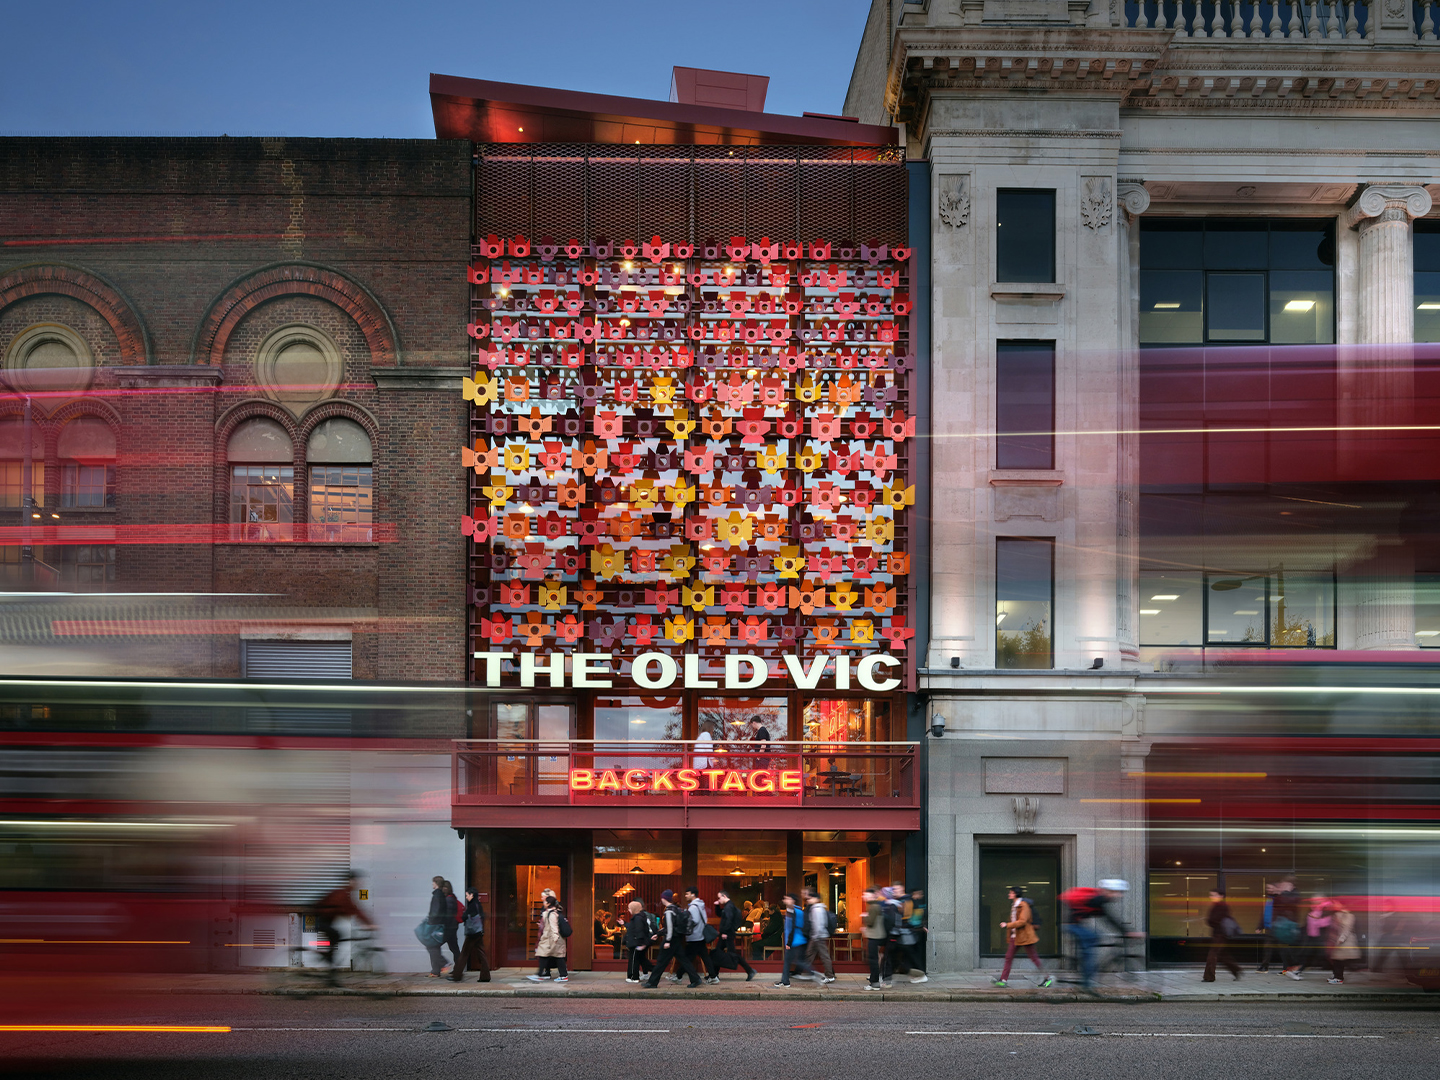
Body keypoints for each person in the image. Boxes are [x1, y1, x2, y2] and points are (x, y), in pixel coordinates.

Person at [1062, 879, 1142, 993]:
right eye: (1117, 892)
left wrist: (1125, 931)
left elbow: (1108, 919)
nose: (1119, 895)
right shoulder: (1098, 899)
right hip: (1072, 926)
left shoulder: (1098, 900)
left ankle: (1086, 972)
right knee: (1090, 947)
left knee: (1096, 937)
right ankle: (1086, 983)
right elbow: (1109, 917)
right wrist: (1128, 932)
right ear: (1109, 891)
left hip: (1076, 925)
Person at [315, 870, 377, 986]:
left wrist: (367, 923)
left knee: (335, 938)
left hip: (327, 921)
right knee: (336, 935)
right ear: (350, 881)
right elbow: (353, 910)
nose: (358, 883)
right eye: (356, 881)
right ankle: (329, 964)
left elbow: (355, 909)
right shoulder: (342, 894)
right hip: (320, 921)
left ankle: (331, 971)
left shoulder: (345, 894)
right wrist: (368, 924)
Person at [993, 885, 1052, 988]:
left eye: (1011, 892)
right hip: (1016, 936)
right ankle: (1003, 980)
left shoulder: (1023, 905)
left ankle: (1047, 978)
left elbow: (1023, 921)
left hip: (1025, 936)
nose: (1009, 894)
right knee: (1008, 957)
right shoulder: (1015, 905)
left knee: (1034, 958)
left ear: (1015, 894)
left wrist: (1008, 925)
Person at [643, 890, 701, 988]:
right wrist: (658, 934)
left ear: (663, 898)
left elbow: (669, 927)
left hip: (671, 939)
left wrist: (667, 940)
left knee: (661, 961)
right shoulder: (676, 909)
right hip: (677, 938)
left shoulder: (669, 910)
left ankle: (652, 982)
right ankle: (695, 979)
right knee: (683, 960)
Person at [712, 888, 757, 981]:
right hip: (728, 933)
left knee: (728, 954)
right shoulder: (728, 906)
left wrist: (724, 932)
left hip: (727, 934)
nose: (719, 900)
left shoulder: (728, 907)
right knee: (719, 953)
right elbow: (721, 915)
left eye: (719, 898)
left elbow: (728, 920)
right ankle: (714, 975)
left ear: (724, 896)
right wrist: (717, 907)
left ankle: (750, 970)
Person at [774, 892, 817, 987]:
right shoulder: (792, 911)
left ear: (792, 900)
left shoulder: (795, 911)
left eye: (787, 898)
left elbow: (794, 928)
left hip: (795, 940)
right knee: (790, 961)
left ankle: (812, 973)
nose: (785, 900)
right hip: (796, 939)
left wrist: (788, 942)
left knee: (795, 961)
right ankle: (785, 981)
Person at [451, 885, 492, 983]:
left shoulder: (472, 906)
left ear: (472, 895)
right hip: (478, 932)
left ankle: (457, 975)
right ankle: (485, 976)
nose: (466, 897)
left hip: (472, 934)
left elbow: (464, 917)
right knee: (482, 954)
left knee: (464, 954)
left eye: (467, 895)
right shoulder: (478, 905)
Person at [526, 893, 569, 983]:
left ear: (549, 903)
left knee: (550, 956)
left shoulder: (551, 914)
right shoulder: (552, 912)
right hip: (550, 939)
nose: (543, 902)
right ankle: (546, 974)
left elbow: (554, 927)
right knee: (552, 956)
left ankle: (544, 975)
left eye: (545, 901)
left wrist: (555, 938)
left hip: (551, 939)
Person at [1202, 888, 1241, 983]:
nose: (1212, 897)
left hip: (1220, 934)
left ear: (1221, 896)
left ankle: (1209, 976)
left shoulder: (1222, 906)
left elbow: (1214, 920)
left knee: (1212, 955)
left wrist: (1210, 920)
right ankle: (1236, 970)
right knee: (1222, 955)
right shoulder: (1217, 905)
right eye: (1211, 895)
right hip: (1219, 934)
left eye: (1214, 895)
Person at [802, 887, 836, 983]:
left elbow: (819, 924)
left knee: (823, 955)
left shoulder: (817, 909)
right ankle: (807, 972)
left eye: (810, 898)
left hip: (818, 936)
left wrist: (816, 936)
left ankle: (829, 975)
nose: (808, 900)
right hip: (817, 936)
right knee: (809, 953)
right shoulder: (818, 908)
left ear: (816, 899)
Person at [1271, 878, 1303, 978]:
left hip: (1290, 925)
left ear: (1291, 886)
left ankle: (1295, 967)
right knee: (1283, 948)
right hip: (1282, 924)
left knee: (1289, 948)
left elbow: (1290, 903)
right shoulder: (1283, 895)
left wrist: (1281, 893)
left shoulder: (1294, 894)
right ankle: (1288, 968)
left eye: (1286, 885)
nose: (1284, 887)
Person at [422, 875, 451, 978]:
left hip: (434, 925)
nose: (432, 884)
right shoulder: (441, 895)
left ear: (436, 883)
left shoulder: (437, 895)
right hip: (439, 924)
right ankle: (435, 971)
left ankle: (443, 964)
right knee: (434, 947)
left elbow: (435, 911)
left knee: (431, 946)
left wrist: (430, 922)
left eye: (433, 882)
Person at [861, 886, 889, 990]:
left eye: (866, 895)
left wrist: (864, 917)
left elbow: (870, 922)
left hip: (874, 936)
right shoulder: (875, 906)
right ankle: (875, 981)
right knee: (874, 959)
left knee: (873, 960)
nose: (864, 896)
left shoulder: (873, 907)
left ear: (872, 896)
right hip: (877, 935)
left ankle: (875, 983)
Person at [1327, 900, 1360, 984]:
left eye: (1336, 903)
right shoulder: (1337, 914)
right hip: (1337, 940)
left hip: (1344, 941)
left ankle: (1339, 978)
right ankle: (1337, 976)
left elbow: (1346, 929)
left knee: (1339, 960)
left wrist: (1341, 939)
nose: (1334, 905)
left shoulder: (1348, 915)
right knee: (1337, 960)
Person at [623, 899, 653, 983]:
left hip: (635, 942)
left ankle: (633, 977)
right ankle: (635, 976)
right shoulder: (640, 917)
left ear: (634, 909)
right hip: (637, 942)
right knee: (637, 960)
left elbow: (639, 930)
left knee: (633, 960)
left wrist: (640, 942)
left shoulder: (637, 918)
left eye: (629, 908)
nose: (628, 910)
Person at [440, 881, 462, 976]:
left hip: (448, 928)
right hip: (453, 927)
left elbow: (447, 916)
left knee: (433, 946)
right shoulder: (452, 898)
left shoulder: (448, 900)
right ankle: (458, 970)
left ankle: (444, 964)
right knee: (454, 948)